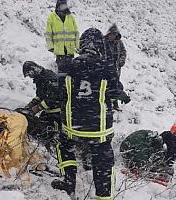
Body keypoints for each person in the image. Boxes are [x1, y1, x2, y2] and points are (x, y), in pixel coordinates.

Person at [51, 28, 129, 200]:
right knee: (103, 161)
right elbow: (115, 92)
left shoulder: (67, 66)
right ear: (100, 45)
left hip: (73, 127)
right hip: (99, 129)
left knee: (64, 145)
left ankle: (69, 183)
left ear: (82, 44)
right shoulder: (106, 67)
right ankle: (103, 196)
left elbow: (60, 92)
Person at [21, 61, 61, 147]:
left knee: (53, 132)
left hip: (57, 113)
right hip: (49, 111)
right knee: (40, 127)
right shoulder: (40, 79)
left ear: (33, 69)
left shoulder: (49, 78)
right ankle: (47, 144)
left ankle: (56, 146)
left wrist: (38, 108)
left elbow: (52, 99)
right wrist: (30, 105)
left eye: (29, 74)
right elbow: (40, 96)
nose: (30, 77)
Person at [45, 0, 79, 73]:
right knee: (62, 72)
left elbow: (76, 32)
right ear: (58, 5)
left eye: (64, 5)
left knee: (71, 72)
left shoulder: (70, 17)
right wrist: (50, 46)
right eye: (62, 5)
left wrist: (78, 46)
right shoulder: (52, 17)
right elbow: (48, 33)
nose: (63, 7)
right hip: (59, 50)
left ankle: (70, 84)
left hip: (70, 49)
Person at [104, 23, 127, 110]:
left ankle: (115, 103)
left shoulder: (119, 43)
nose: (112, 36)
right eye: (111, 34)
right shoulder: (103, 42)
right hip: (105, 68)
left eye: (114, 34)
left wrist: (121, 61)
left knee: (116, 85)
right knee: (106, 85)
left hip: (116, 68)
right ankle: (106, 103)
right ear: (108, 34)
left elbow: (123, 52)